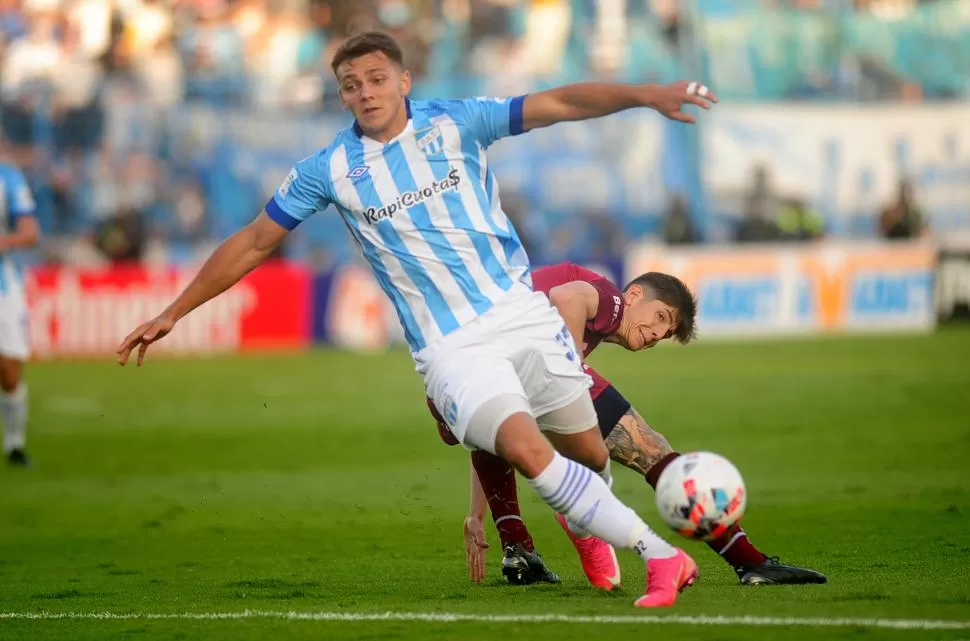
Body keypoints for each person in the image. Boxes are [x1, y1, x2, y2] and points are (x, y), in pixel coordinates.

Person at [116, 30, 719, 607]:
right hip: (450, 345)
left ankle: (584, 517)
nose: (365, 92)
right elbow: (253, 241)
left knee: (588, 456)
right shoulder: (326, 170)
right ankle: (662, 556)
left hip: (521, 314)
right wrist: (175, 311)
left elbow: (560, 102)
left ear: (404, 80)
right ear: (341, 95)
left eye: (377, 79)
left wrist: (645, 95)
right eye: (351, 85)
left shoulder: (458, 121)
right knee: (525, 448)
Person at [431, 263, 828, 587]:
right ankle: (748, 561)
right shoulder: (610, 299)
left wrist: (476, 517)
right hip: (513, 362)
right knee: (649, 449)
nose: (657, 333)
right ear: (634, 294)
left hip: (452, 373)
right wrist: (566, 375)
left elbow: (486, 441)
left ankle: (518, 550)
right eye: (660, 317)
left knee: (502, 432)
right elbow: (566, 297)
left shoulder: (540, 312)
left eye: (666, 332)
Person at [0, 161, 41, 466]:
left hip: (3, 286)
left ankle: (14, 443)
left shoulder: (8, 177)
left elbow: (30, 233)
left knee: (9, 372)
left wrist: (4, 242)